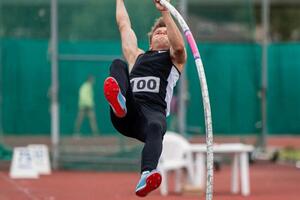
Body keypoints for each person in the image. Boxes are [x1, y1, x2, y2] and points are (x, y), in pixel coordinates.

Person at [103, 0, 186, 197]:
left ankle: (146, 175)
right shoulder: (137, 56)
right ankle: (119, 102)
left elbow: (180, 47)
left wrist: (165, 12)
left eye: (166, 32)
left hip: (151, 117)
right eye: (158, 32)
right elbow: (124, 24)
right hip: (128, 112)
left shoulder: (175, 60)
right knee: (117, 64)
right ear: (150, 41)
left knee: (156, 125)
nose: (162, 33)